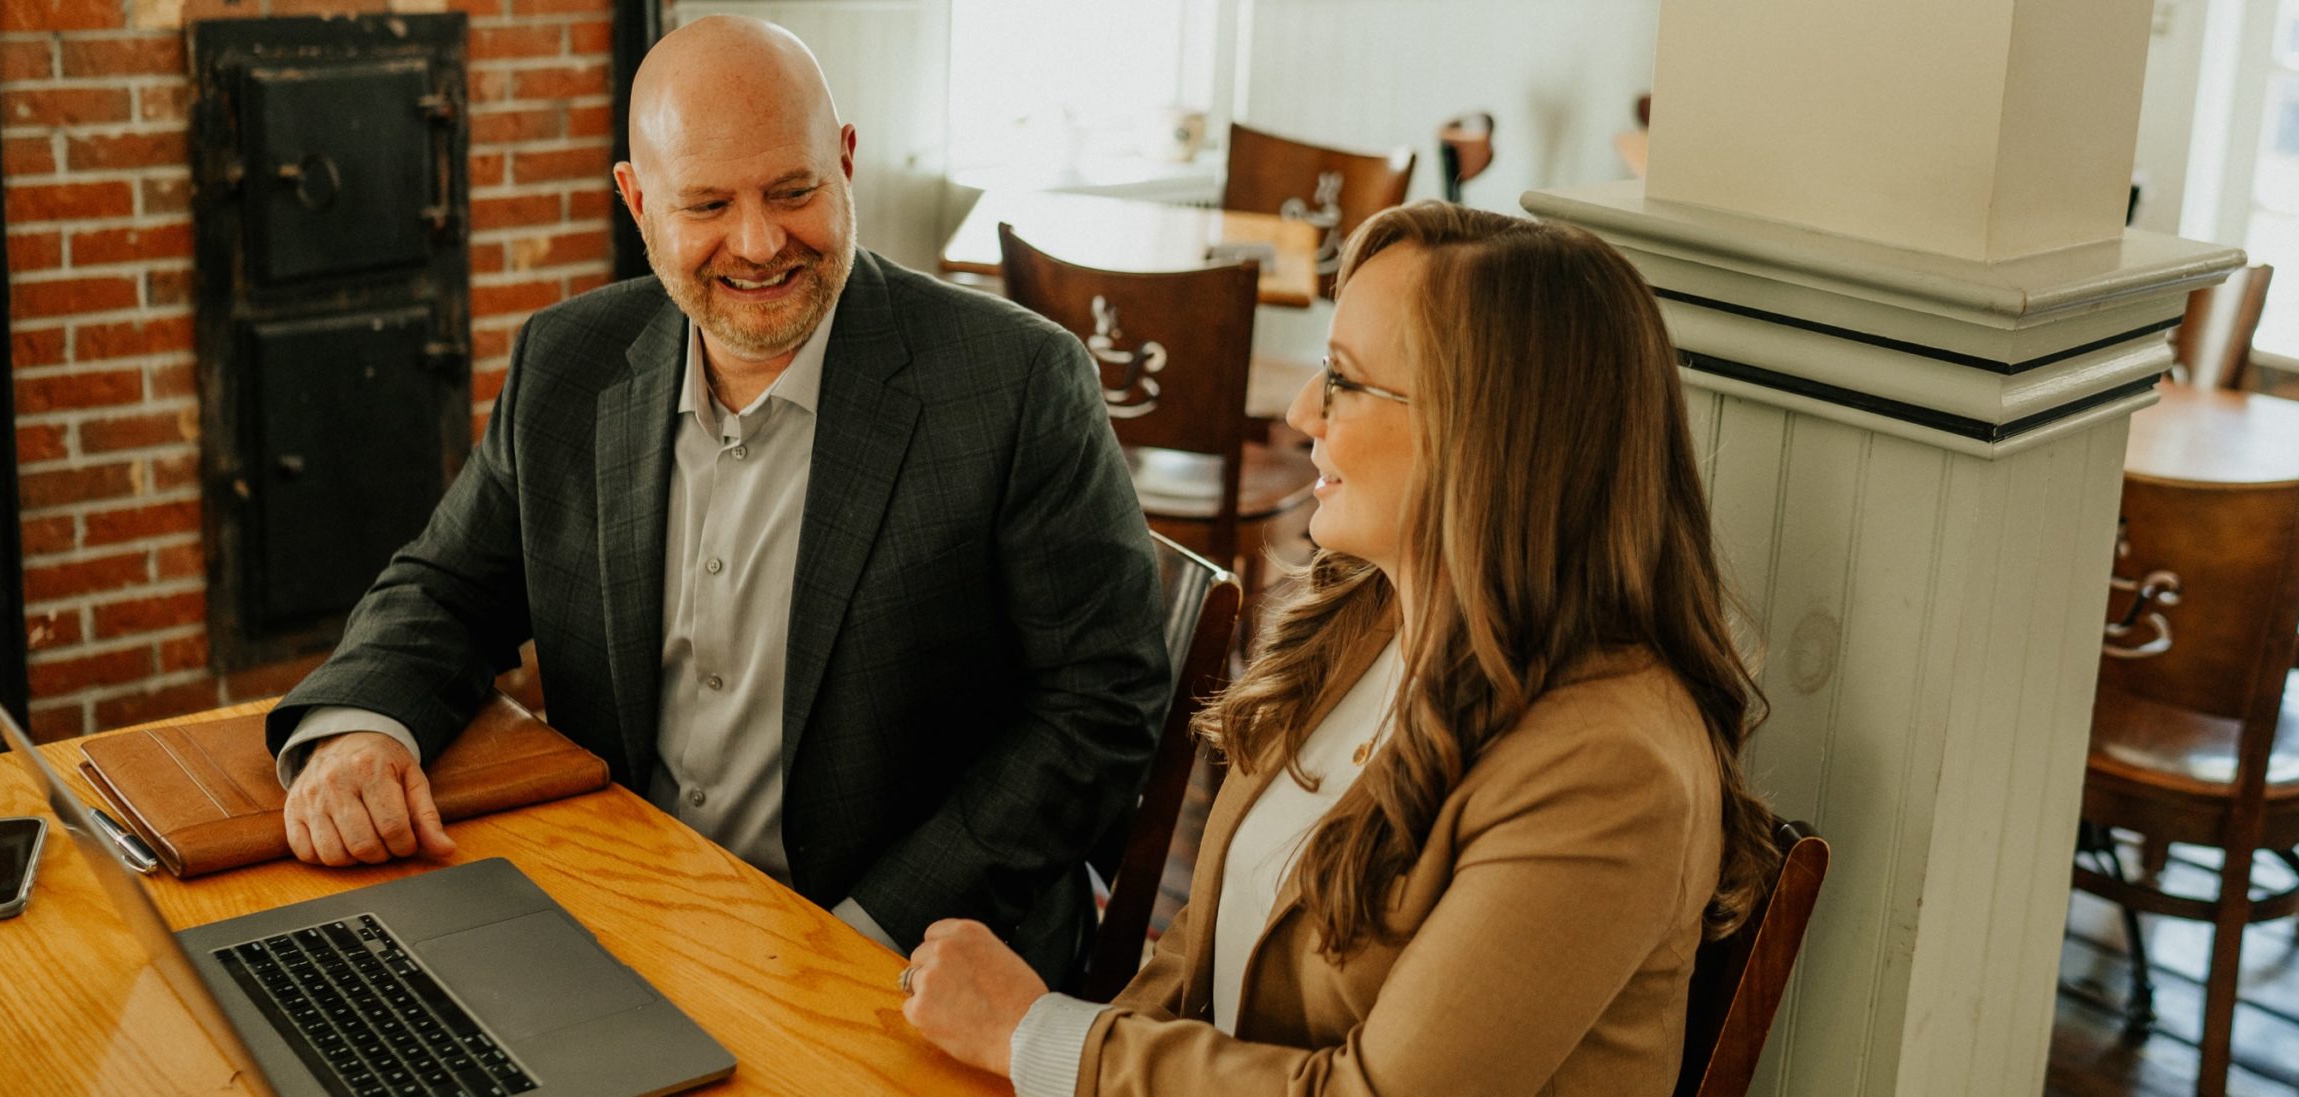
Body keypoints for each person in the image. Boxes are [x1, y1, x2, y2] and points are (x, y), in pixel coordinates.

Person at [264, 15, 1170, 985]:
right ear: (636, 199)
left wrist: (863, 931)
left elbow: (1099, 706)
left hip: (906, 960)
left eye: (793, 190)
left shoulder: (1017, 382)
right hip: (625, 917)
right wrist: (364, 727)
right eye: (706, 204)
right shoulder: (562, 363)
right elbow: (445, 589)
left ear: (846, 161)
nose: (759, 242)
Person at [898, 202, 1784, 1093]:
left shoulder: (1611, 765)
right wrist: (1054, 1045)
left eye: (1343, 379)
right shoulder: (1364, 615)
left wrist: (1041, 1035)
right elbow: (1193, 961)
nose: (1298, 411)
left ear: (1487, 435)